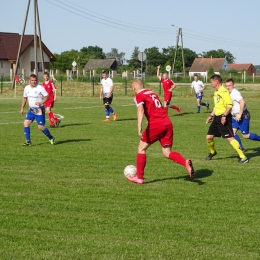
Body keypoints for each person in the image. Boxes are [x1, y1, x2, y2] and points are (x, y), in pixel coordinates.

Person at [126, 79, 195, 185]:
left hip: (156, 124)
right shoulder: (152, 92)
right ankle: (185, 162)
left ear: (134, 88)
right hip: (167, 123)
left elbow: (140, 109)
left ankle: (139, 178)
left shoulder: (139, 95)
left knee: (141, 149)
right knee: (167, 152)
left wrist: (139, 125)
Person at [205, 74, 248, 163]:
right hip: (216, 118)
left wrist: (224, 116)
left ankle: (243, 157)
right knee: (208, 137)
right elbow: (217, 106)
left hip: (224, 118)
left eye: (211, 82)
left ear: (216, 82)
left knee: (230, 138)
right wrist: (211, 116)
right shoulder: (216, 92)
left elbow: (229, 104)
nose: (211, 84)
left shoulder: (223, 92)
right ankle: (213, 152)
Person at [20, 74, 56, 146]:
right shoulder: (26, 88)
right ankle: (28, 141)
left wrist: (40, 103)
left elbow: (47, 96)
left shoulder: (40, 88)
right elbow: (24, 98)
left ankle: (51, 138)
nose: (34, 82)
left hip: (39, 110)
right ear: (29, 81)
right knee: (26, 123)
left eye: (35, 80)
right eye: (32, 80)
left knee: (40, 127)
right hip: (31, 110)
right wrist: (22, 108)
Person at [225, 78, 260, 151]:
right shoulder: (230, 93)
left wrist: (240, 114)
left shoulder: (235, 93)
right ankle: (241, 148)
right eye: (226, 86)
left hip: (243, 116)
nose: (228, 87)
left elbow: (242, 102)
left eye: (229, 85)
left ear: (233, 85)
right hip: (235, 117)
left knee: (246, 135)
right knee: (232, 133)